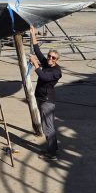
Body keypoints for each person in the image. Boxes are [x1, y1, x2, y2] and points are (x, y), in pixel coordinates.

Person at [28, 27, 62, 159]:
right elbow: (37, 50)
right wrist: (33, 35)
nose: (50, 59)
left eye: (53, 58)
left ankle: (52, 154)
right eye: (49, 56)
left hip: (47, 101)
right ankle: (53, 148)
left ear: (57, 60)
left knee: (48, 127)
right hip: (42, 98)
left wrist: (35, 64)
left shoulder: (56, 71)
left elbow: (44, 77)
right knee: (48, 125)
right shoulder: (47, 64)